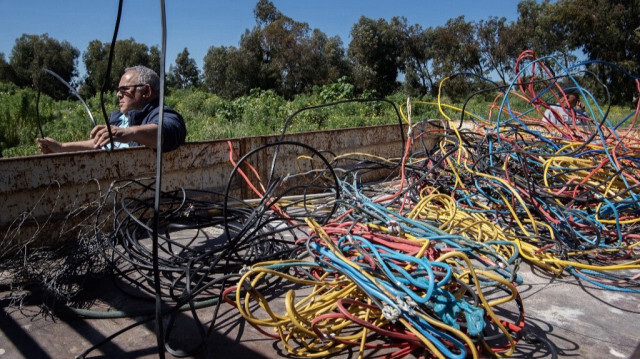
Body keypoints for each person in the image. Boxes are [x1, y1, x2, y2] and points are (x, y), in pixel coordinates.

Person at [37, 65, 186, 154]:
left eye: (124, 89)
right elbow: (98, 145)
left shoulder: (160, 114)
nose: (118, 94)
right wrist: (61, 147)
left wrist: (127, 133)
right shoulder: (118, 119)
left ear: (146, 91)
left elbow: (169, 132)